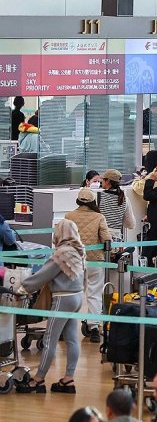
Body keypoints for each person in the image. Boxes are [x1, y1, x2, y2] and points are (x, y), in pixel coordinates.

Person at [16, 220, 85, 394]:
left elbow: (42, 275)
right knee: (72, 340)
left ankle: (38, 379)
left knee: (49, 340)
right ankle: (68, 379)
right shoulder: (79, 251)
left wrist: (22, 289)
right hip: (77, 297)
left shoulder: (61, 253)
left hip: (63, 299)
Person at [65, 188, 111, 343]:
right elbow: (107, 239)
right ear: (93, 201)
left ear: (78, 200)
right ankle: (94, 328)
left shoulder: (68, 216)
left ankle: (65, 328)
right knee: (94, 294)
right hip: (95, 260)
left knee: (71, 294)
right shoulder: (99, 217)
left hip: (73, 261)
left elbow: (60, 238)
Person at [97, 169, 135, 243]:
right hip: (116, 240)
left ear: (108, 181)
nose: (101, 182)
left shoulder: (99, 197)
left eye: (103, 180)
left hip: (100, 238)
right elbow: (131, 224)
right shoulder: (125, 199)